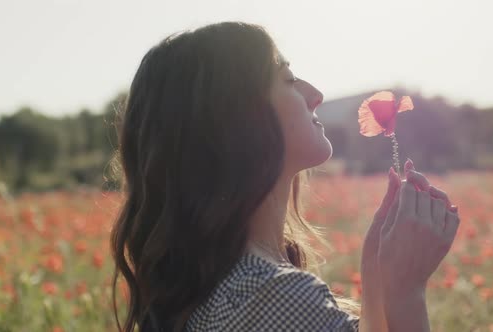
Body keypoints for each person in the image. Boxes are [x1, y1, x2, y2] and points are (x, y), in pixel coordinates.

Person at [109, 21, 460, 332]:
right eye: (289, 79)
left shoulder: (225, 282)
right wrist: (406, 293)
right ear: (237, 122)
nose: (315, 95)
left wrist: (377, 270)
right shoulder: (269, 294)